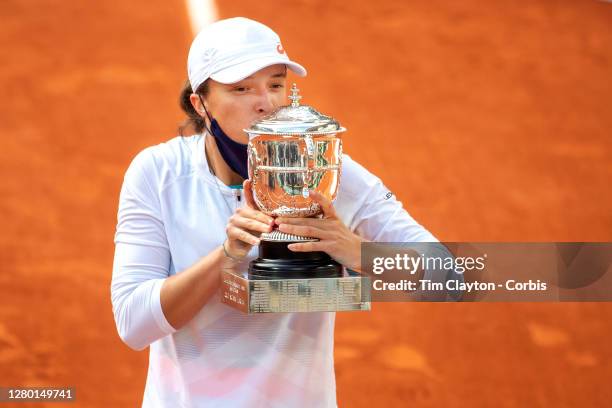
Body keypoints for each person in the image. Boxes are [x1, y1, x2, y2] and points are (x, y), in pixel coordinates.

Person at [111, 17, 437, 407]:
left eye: (276, 85)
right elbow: (133, 323)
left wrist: (356, 251)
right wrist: (226, 256)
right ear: (201, 103)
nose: (266, 102)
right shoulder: (158, 174)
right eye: (241, 89)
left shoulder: (329, 170)